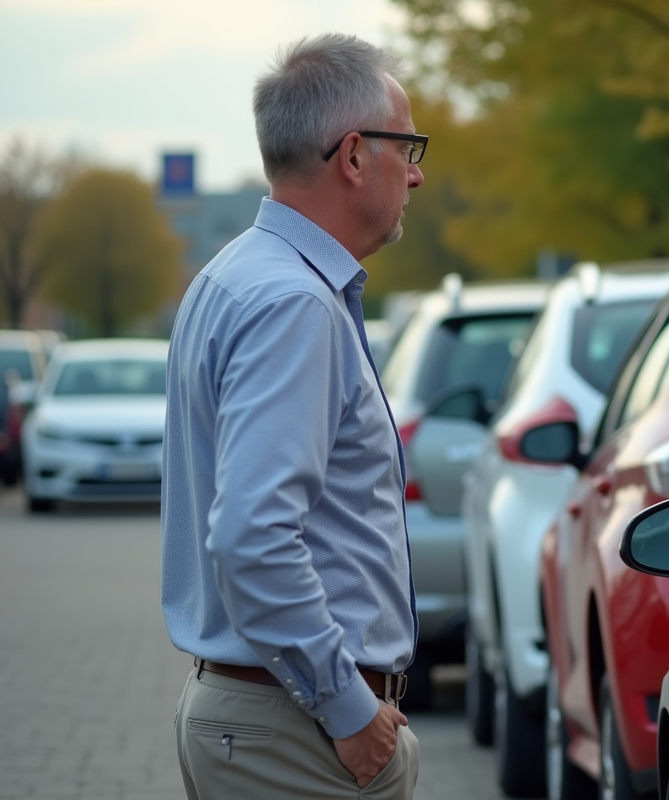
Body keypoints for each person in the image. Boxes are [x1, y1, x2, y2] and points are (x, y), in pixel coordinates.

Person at [161, 33, 426, 799]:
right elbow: (252, 535)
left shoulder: (238, 276)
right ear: (351, 156)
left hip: (268, 716)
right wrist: (350, 712)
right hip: (298, 733)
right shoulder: (293, 304)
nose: (414, 174)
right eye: (406, 147)